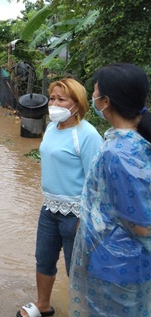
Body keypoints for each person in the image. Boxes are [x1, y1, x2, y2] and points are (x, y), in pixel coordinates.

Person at [69, 63, 151, 316]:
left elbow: (139, 222)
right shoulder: (134, 141)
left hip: (115, 262)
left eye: (95, 92)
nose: (93, 97)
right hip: (130, 263)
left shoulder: (118, 153)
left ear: (105, 101)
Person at [17, 78, 102, 317]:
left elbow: (96, 183)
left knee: (78, 268)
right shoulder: (53, 128)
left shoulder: (88, 135)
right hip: (50, 208)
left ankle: (86, 311)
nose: (54, 103)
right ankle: (43, 305)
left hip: (76, 214)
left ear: (77, 104)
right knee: (43, 258)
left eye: (61, 99)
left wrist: (84, 218)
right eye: (52, 98)